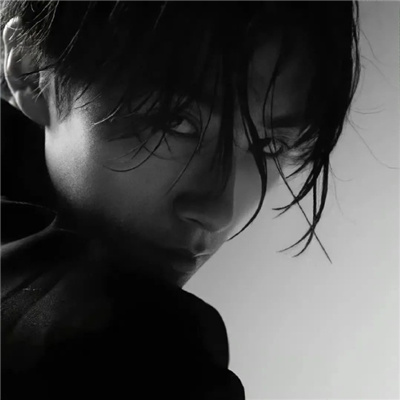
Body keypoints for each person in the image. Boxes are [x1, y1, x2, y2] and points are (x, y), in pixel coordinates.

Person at [1, 2, 360, 399]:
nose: (218, 211)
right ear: (31, 70)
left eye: (269, 146)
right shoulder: (147, 351)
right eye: (176, 121)